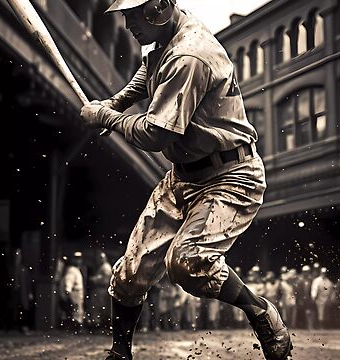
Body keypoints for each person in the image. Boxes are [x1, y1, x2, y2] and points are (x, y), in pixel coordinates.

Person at [80, 1, 292, 359]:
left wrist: (106, 118)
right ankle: (119, 353)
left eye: (133, 15)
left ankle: (260, 311)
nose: (128, 24)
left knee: (188, 262)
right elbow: (149, 71)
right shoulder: (169, 36)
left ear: (158, 9)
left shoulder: (189, 55)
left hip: (230, 175)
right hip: (184, 177)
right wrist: (117, 103)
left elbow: (155, 135)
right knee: (131, 272)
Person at [59, 252, 85, 332]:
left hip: (78, 293)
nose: (78, 261)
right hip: (74, 292)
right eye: (76, 259)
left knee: (78, 311)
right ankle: (73, 328)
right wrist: (68, 291)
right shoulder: (72, 270)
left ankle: (76, 328)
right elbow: (68, 281)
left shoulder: (77, 269)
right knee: (75, 311)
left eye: (79, 259)